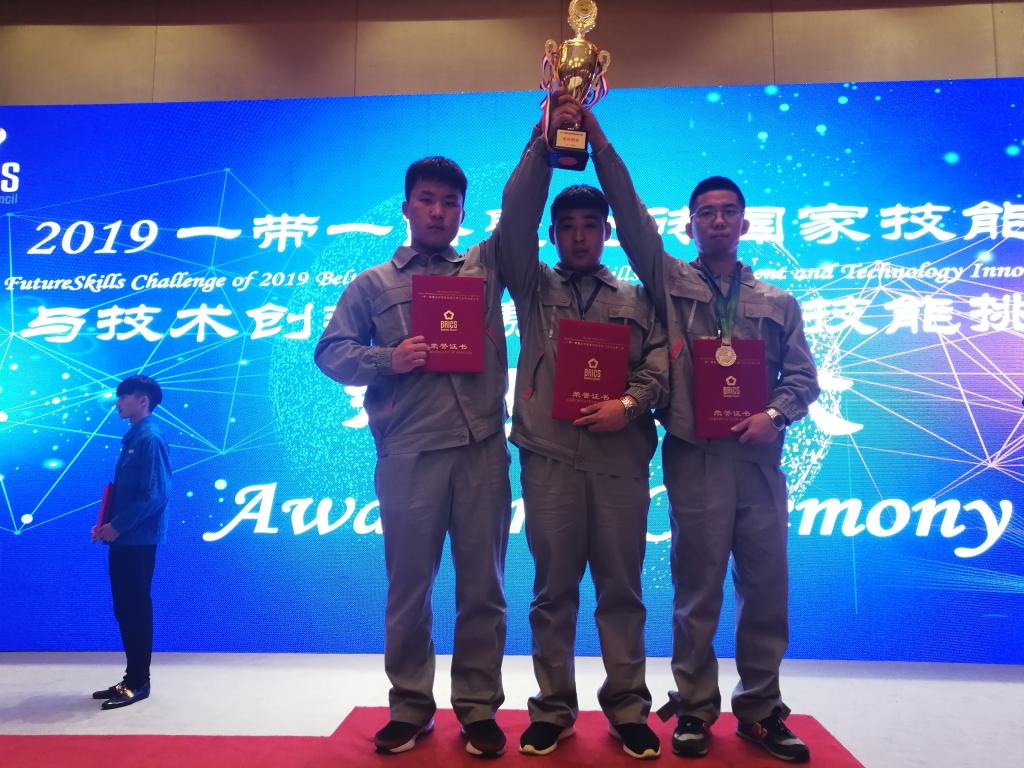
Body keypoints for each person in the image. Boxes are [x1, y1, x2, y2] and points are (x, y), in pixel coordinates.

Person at [583, 110, 819, 763]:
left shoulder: (778, 301)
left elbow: (803, 378)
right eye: (705, 213)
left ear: (746, 224)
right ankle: (694, 707)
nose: (717, 221)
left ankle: (761, 709)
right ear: (689, 226)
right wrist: (599, 141)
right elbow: (631, 218)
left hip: (758, 460)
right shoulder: (668, 281)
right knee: (698, 590)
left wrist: (774, 416)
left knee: (766, 587)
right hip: (695, 457)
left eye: (728, 212)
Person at [314, 145, 547, 757]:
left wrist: (543, 140)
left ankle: (478, 708)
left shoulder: (484, 267)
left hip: (481, 451)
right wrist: (387, 359)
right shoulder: (373, 284)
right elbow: (330, 352)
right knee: (409, 589)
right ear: (407, 208)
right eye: (427, 200)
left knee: (484, 590)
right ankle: (411, 707)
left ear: (463, 213)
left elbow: (521, 212)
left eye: (450, 203)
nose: (438, 211)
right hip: (409, 453)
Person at [499, 95, 669, 761]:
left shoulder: (639, 298)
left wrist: (628, 404)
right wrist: (544, 139)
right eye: (565, 226)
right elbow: (515, 216)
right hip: (548, 460)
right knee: (553, 593)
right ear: (552, 234)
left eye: (589, 225)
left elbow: (662, 364)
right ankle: (552, 709)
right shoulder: (531, 286)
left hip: (621, 462)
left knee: (622, 593)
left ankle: (628, 708)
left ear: (606, 232)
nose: (577, 236)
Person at [91, 374, 171, 710]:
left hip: (137, 539)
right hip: (124, 539)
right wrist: (105, 525)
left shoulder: (150, 438)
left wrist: (119, 526)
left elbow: (156, 495)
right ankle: (131, 677)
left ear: (143, 401)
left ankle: (139, 682)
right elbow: (125, 493)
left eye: (124, 396)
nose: (118, 402)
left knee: (135, 608)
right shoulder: (134, 437)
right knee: (125, 608)